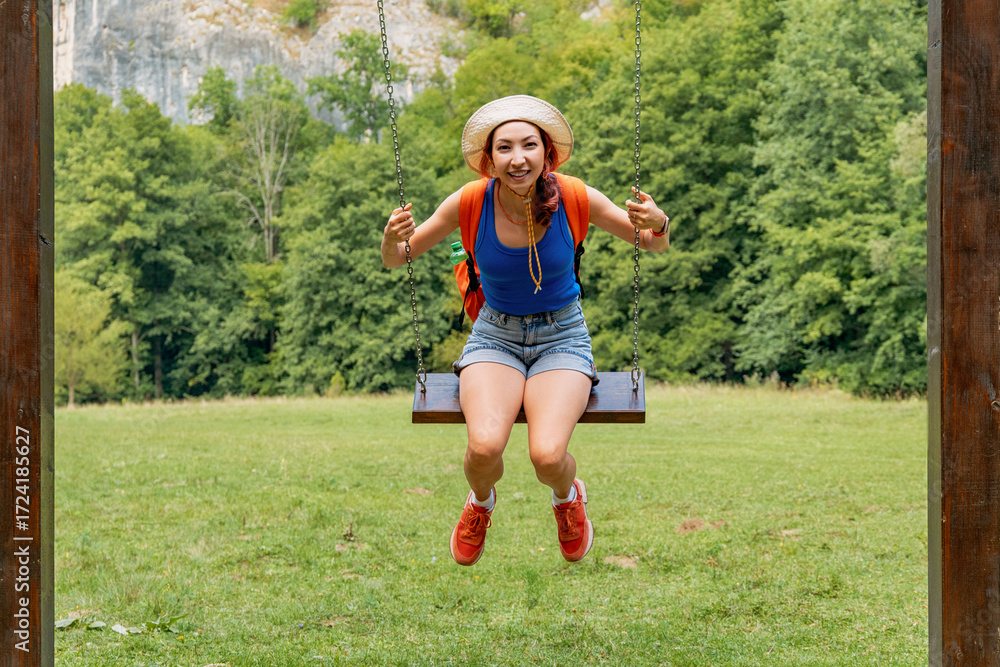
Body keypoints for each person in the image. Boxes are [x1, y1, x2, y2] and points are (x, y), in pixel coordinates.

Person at [381, 95, 670, 566]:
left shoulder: (575, 197)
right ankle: (481, 502)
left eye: (529, 145)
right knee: (483, 448)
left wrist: (659, 223)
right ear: (490, 158)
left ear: (546, 152)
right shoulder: (470, 202)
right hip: (495, 335)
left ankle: (567, 497)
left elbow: (652, 244)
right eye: (505, 148)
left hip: (562, 337)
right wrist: (390, 240)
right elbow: (399, 258)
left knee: (548, 456)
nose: (518, 158)